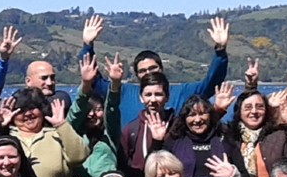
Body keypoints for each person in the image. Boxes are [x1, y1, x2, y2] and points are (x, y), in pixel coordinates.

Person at [82, 14, 232, 115]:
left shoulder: (182, 92)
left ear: (162, 69)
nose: (148, 72)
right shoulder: (122, 92)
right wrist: (87, 45)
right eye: (143, 70)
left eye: (153, 68)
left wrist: (220, 50)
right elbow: (92, 78)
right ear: (137, 75)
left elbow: (212, 83)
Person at [227, 91, 287, 177]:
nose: (254, 111)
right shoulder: (230, 137)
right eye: (248, 107)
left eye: (260, 107)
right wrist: (218, 110)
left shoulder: (277, 136)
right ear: (239, 112)